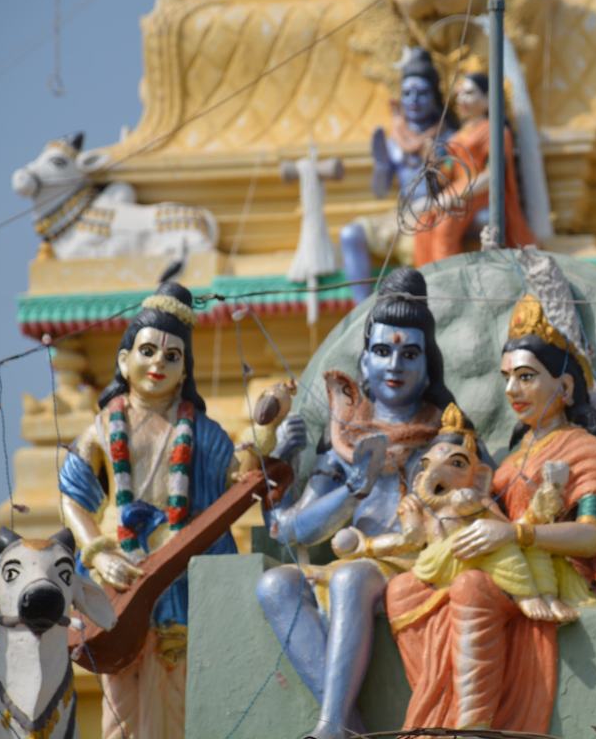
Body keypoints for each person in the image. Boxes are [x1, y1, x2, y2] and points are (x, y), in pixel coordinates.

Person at [385, 266, 596, 732]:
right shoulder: (509, 461)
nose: (511, 390)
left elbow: (593, 536)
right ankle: (436, 707)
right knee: (401, 592)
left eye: (525, 377)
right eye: (507, 378)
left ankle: (472, 726)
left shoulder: (588, 451)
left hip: (550, 575)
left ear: (565, 387)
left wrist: (516, 533)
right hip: (496, 564)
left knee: (470, 588)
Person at [255, 267, 454, 739]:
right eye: (382, 352)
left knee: (349, 576)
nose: (395, 365)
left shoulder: (445, 434)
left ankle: (331, 725)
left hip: (418, 566)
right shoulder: (345, 441)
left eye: (410, 354)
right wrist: (353, 490)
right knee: (275, 586)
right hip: (358, 562)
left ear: (429, 368)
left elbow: (466, 506)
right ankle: (351, 729)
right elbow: (295, 530)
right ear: (364, 365)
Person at [58, 282, 239, 738]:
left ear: (184, 371)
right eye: (147, 351)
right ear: (124, 361)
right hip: (119, 574)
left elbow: (237, 474)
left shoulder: (202, 433)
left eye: (172, 356)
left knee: (176, 690)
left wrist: (268, 434)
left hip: (176, 574)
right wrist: (98, 552)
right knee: (119, 698)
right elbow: (73, 497)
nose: (158, 363)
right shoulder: (103, 429)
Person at [335, 404, 596, 625]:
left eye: (457, 464)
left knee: (532, 546)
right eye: (427, 465)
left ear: (480, 477)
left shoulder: (479, 498)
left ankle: (548, 596)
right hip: (440, 560)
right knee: (501, 548)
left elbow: (503, 527)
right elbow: (410, 540)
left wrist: (477, 509)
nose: (436, 473)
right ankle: (526, 594)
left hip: (475, 553)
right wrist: (365, 546)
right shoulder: (418, 506)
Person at [341, 48, 456, 302]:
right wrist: (382, 163)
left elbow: (456, 184)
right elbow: (380, 191)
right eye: (407, 93)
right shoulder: (395, 141)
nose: (414, 100)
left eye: (422, 93)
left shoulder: (449, 137)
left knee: (415, 252)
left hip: (434, 212)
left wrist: (434, 163)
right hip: (402, 214)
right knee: (350, 234)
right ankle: (363, 312)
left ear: (435, 97)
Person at [412, 71, 536, 266]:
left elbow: (493, 174)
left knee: (446, 224)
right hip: (458, 190)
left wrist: (455, 196)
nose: (462, 98)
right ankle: (426, 278)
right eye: (459, 93)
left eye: (469, 93)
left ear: (488, 99)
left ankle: (448, 280)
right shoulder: (457, 137)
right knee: (424, 223)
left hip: (482, 192)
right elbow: (447, 176)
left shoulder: (495, 132)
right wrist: (432, 164)